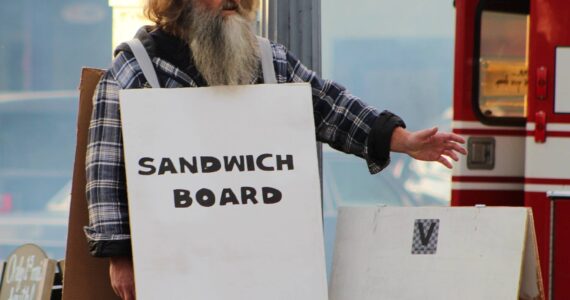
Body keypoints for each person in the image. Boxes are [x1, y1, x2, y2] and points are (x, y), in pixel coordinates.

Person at [84, 0, 467, 299]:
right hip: (176, 270)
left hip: (259, 272)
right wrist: (120, 257)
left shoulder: (268, 62)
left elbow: (330, 107)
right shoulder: (134, 72)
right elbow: (105, 173)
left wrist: (401, 139)